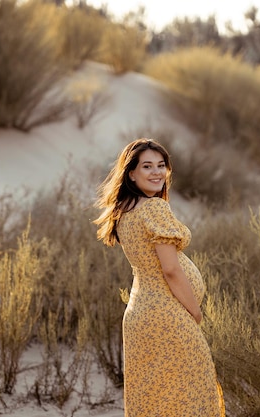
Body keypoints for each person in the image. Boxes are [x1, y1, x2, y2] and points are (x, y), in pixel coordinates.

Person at [94, 138, 225, 416]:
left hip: (140, 315)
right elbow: (171, 270)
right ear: (131, 173)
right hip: (167, 314)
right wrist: (195, 312)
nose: (156, 173)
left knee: (155, 399)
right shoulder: (153, 207)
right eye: (147, 166)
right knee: (192, 397)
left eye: (161, 165)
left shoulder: (125, 210)